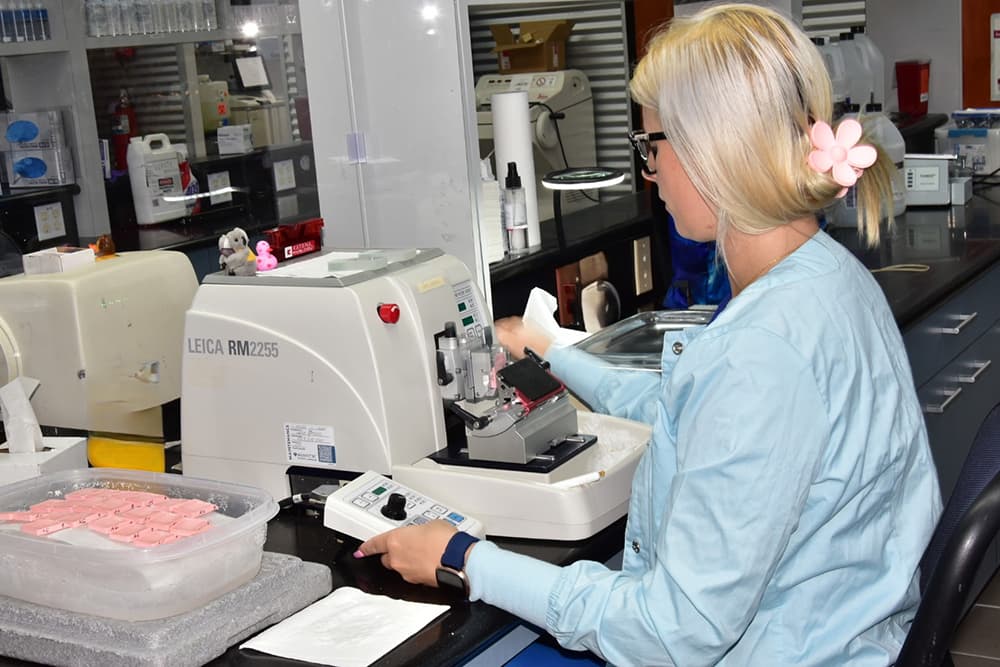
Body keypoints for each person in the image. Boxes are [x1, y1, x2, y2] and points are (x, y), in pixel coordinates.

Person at [357, 5, 942, 664]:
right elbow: (688, 410)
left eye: (651, 145)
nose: (650, 171)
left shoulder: (762, 352)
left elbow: (672, 632)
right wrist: (555, 352)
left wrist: (464, 558)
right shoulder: (830, 277)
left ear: (710, 150)